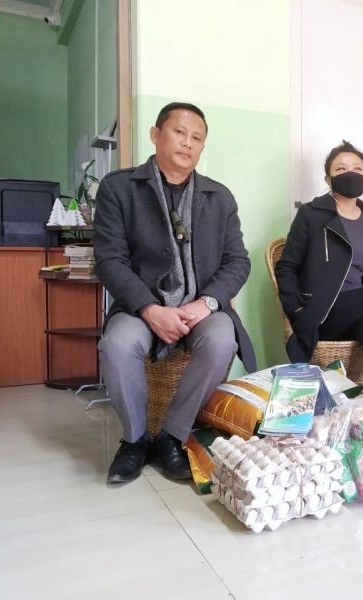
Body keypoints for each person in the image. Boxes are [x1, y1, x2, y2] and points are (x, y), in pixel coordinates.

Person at [94, 102, 256, 484]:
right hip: (139, 308)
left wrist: (207, 303)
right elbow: (109, 260)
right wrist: (150, 309)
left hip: (199, 307)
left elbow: (238, 261)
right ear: (156, 135)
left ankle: (172, 436)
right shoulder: (119, 188)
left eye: (196, 138)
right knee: (117, 345)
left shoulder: (220, 196)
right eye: (179, 132)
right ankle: (135, 441)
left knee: (221, 340)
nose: (187, 143)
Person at [275, 140, 363, 363]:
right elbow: (287, 266)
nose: (350, 174)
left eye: (358, 169)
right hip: (319, 311)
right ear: (328, 179)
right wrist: (296, 310)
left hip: (356, 311)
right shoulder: (311, 215)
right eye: (341, 169)